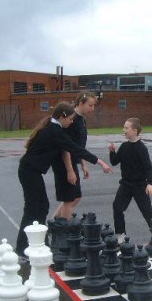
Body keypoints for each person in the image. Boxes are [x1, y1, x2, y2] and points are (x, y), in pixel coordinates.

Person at [15, 102, 112, 259]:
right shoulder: (54, 131)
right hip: (29, 172)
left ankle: (39, 242)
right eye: (70, 119)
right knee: (33, 209)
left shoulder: (54, 129)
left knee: (42, 206)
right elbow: (74, 148)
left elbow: (71, 148)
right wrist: (99, 162)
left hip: (31, 172)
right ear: (62, 116)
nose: (72, 122)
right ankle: (23, 247)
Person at [109, 118, 152, 243]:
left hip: (140, 185)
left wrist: (149, 184)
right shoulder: (125, 146)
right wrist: (112, 151)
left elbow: (149, 168)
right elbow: (114, 161)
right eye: (124, 127)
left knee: (146, 210)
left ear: (134, 131)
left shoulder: (141, 148)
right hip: (125, 184)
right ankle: (120, 234)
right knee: (117, 207)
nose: (123, 130)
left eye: (126, 128)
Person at [52, 91, 97, 220]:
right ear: (81, 103)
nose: (92, 109)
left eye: (94, 106)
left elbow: (78, 147)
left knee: (76, 197)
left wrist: (83, 164)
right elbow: (66, 147)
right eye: (90, 105)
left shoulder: (81, 119)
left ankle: (54, 224)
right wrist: (70, 170)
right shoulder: (71, 120)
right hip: (65, 163)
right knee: (69, 199)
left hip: (73, 161)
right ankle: (66, 233)